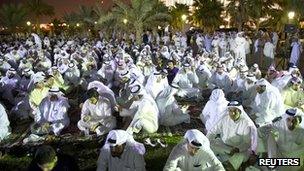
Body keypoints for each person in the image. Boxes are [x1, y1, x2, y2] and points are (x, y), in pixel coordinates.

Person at [207, 101, 258, 170]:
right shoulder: (224, 119)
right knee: (210, 144)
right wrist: (205, 143)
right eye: (230, 111)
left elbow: (247, 143)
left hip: (239, 150)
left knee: (239, 157)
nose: (232, 113)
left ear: (240, 111)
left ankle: (229, 165)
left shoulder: (246, 123)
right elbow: (212, 132)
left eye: (235, 111)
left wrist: (237, 149)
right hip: (224, 146)